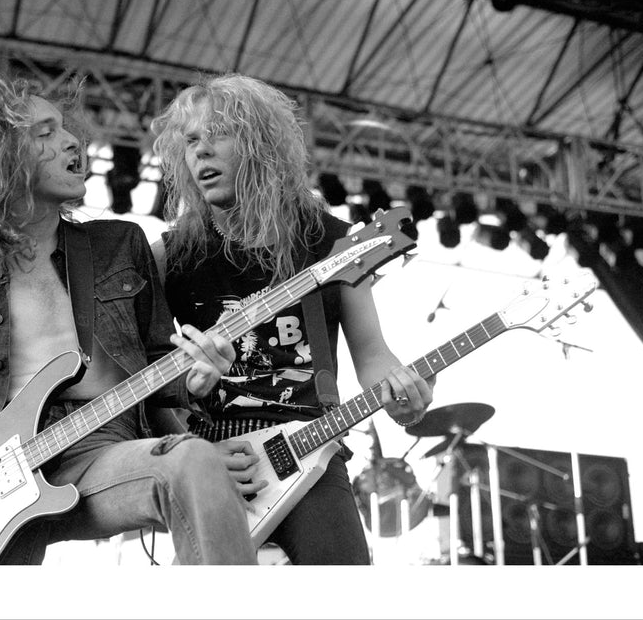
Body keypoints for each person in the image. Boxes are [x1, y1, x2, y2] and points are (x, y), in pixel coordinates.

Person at [0, 32, 257, 565]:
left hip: (101, 448)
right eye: (45, 133)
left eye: (67, 129)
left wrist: (195, 380)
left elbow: (161, 368)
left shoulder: (118, 245)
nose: (73, 142)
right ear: (0, 157)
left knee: (192, 464)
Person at [149, 74, 436, 565]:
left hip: (312, 447)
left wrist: (404, 395)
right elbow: (145, 378)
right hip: (213, 457)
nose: (201, 152)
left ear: (261, 143)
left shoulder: (333, 241)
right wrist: (185, 452)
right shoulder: (168, 256)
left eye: (218, 134)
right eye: (191, 141)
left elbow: (372, 353)